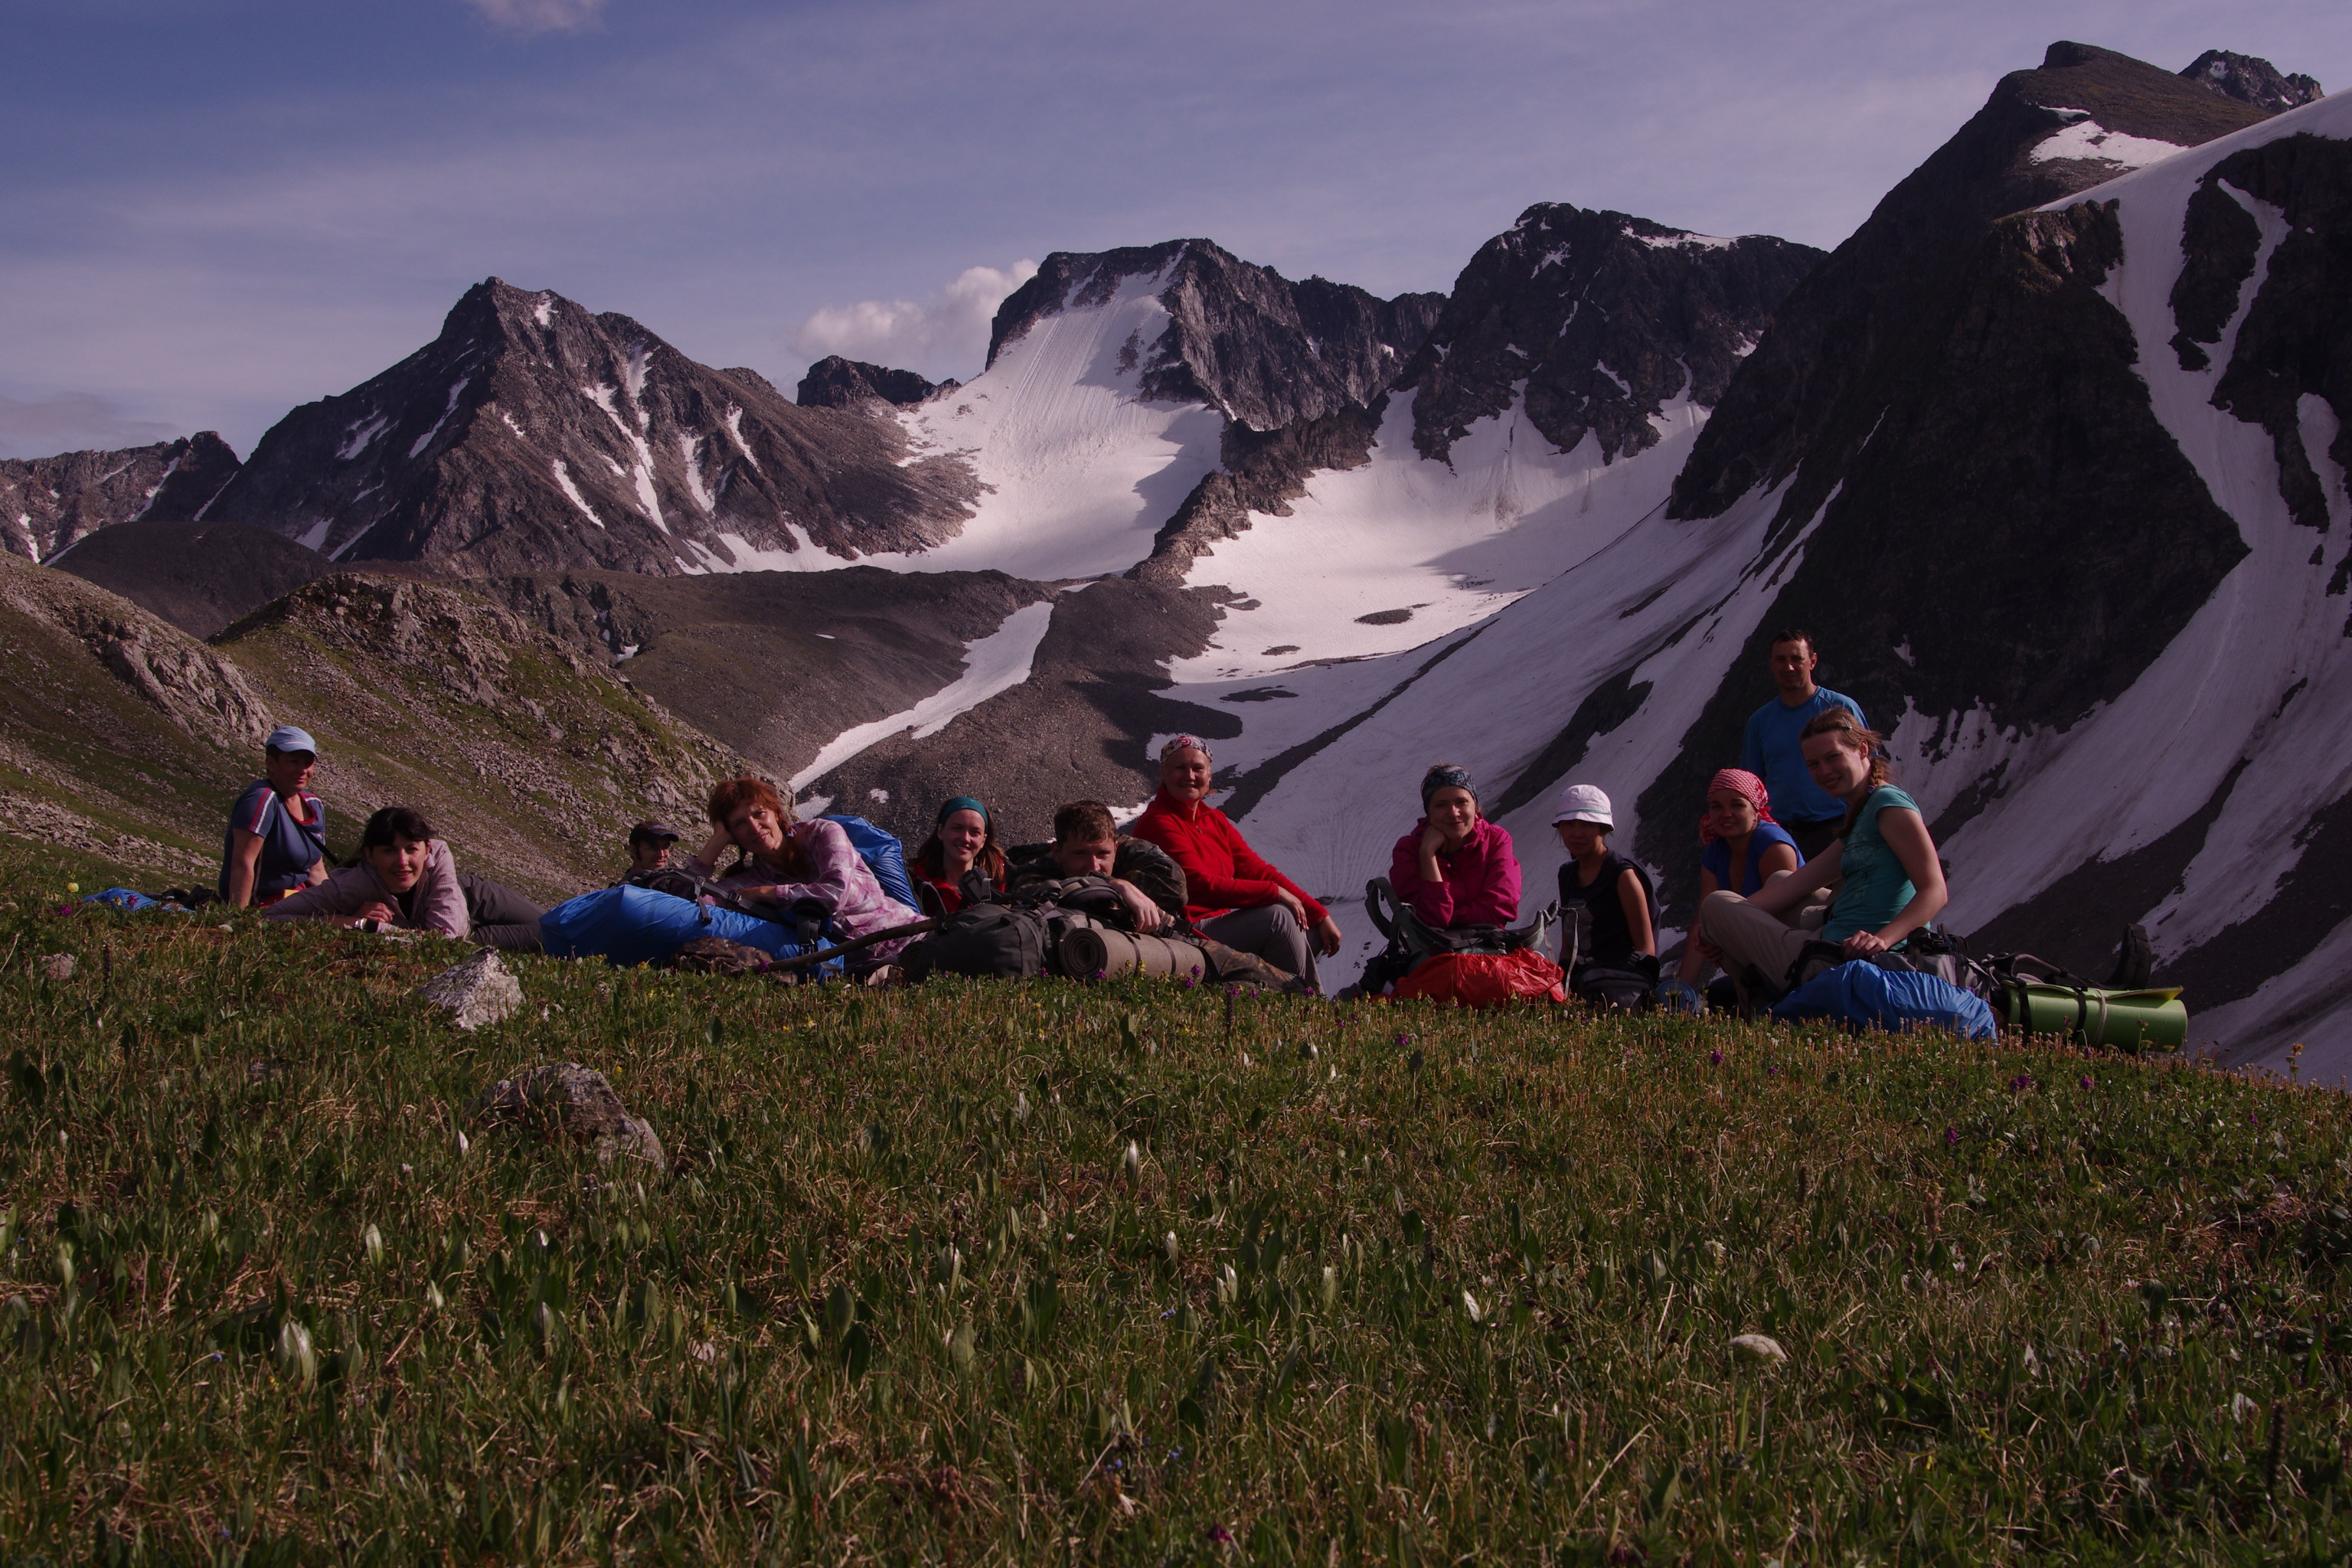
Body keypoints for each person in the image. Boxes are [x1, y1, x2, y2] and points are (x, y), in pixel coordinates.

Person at [1699, 708, 1949, 1003]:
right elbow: (1795, 885)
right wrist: (1724, 927)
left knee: (1715, 903)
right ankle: (1756, 992)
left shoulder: (1889, 805)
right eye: (1814, 764)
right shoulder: (1863, 812)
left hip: (1843, 961)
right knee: (1779, 880)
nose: (1824, 771)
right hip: (1839, 938)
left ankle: (1757, 1001)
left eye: (1833, 758)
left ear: (1863, 749)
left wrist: (1882, 940)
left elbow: (1935, 891)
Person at [1132, 735, 1341, 991]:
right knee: (1279, 919)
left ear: (1209, 776)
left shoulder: (1214, 820)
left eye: (1197, 768)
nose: (1189, 775)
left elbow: (1257, 871)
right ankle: (1304, 1009)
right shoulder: (1159, 822)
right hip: (1185, 930)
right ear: (1164, 774)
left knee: (1308, 927)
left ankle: (1278, 1006)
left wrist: (1319, 913)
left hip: (1213, 928)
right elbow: (1197, 886)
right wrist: (1274, 893)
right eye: (1180, 767)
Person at [682, 776, 925, 964]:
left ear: (777, 814)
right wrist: (716, 843)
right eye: (739, 824)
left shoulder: (822, 833)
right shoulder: (746, 880)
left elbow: (833, 894)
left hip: (911, 937)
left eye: (759, 814)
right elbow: (681, 905)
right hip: (860, 968)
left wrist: (766, 893)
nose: (754, 828)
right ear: (733, 836)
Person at [265, 805, 546, 950]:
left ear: (427, 850)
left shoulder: (439, 855)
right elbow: (273, 917)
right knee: (550, 935)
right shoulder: (352, 885)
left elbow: (443, 937)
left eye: (412, 849)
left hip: (469, 896)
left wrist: (370, 929)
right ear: (370, 856)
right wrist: (346, 921)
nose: (402, 862)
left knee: (554, 921)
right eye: (389, 851)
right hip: (461, 935)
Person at [1668, 768, 1804, 1001]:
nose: (1726, 814)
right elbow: (1704, 918)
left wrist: (1721, 936)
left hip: (1793, 954)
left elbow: (1782, 918)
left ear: (1755, 810)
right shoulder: (1716, 852)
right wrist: (1679, 991)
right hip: (1751, 955)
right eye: (1717, 806)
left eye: (1737, 805)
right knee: (1719, 996)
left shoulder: (1773, 845)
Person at [1742, 629, 1866, 861]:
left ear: (1812, 661)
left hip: (1840, 828)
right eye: (1781, 659)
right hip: (1783, 836)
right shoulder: (1759, 722)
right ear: (1771, 664)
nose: (1788, 667)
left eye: (1796, 658)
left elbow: (1871, 770)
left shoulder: (1840, 709)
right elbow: (1752, 787)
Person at [1006, 800, 1187, 930]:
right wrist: (1115, 887)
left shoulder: (1130, 851)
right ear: (1057, 853)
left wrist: (1125, 885)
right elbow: (1026, 896)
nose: (1094, 866)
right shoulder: (1036, 868)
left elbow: (1176, 887)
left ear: (1115, 849)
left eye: (1103, 854)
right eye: (1080, 853)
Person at [1389, 764, 1520, 929]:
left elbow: (1500, 909)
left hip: (1488, 950)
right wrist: (1427, 855)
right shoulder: (1409, 850)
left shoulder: (1495, 840)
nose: (1453, 812)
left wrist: (1450, 918)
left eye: (1461, 802)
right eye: (1441, 805)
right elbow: (1430, 922)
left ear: (1475, 806)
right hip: (1433, 954)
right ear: (1428, 812)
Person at [220, 725, 329, 907]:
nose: (302, 770)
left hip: (298, 898)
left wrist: (335, 900)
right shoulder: (261, 799)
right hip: (267, 903)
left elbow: (316, 870)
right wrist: (238, 916)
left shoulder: (314, 804)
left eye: (308, 763)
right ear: (271, 763)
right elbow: (242, 862)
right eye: (293, 761)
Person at [1551, 785, 1656, 973]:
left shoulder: (1623, 875)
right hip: (1582, 979)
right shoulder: (1567, 875)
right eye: (1569, 824)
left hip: (1620, 980)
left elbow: (1645, 950)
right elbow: (1568, 946)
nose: (1577, 833)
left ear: (1604, 829)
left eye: (1587, 824)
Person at [911, 796, 1007, 916]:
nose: (965, 838)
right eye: (957, 829)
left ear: (983, 840)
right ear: (940, 831)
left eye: (974, 832)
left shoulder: (1002, 880)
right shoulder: (917, 886)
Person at [616, 822, 682, 886]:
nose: (661, 854)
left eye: (666, 847)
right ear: (634, 850)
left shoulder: (674, 887)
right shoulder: (622, 893)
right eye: (654, 847)